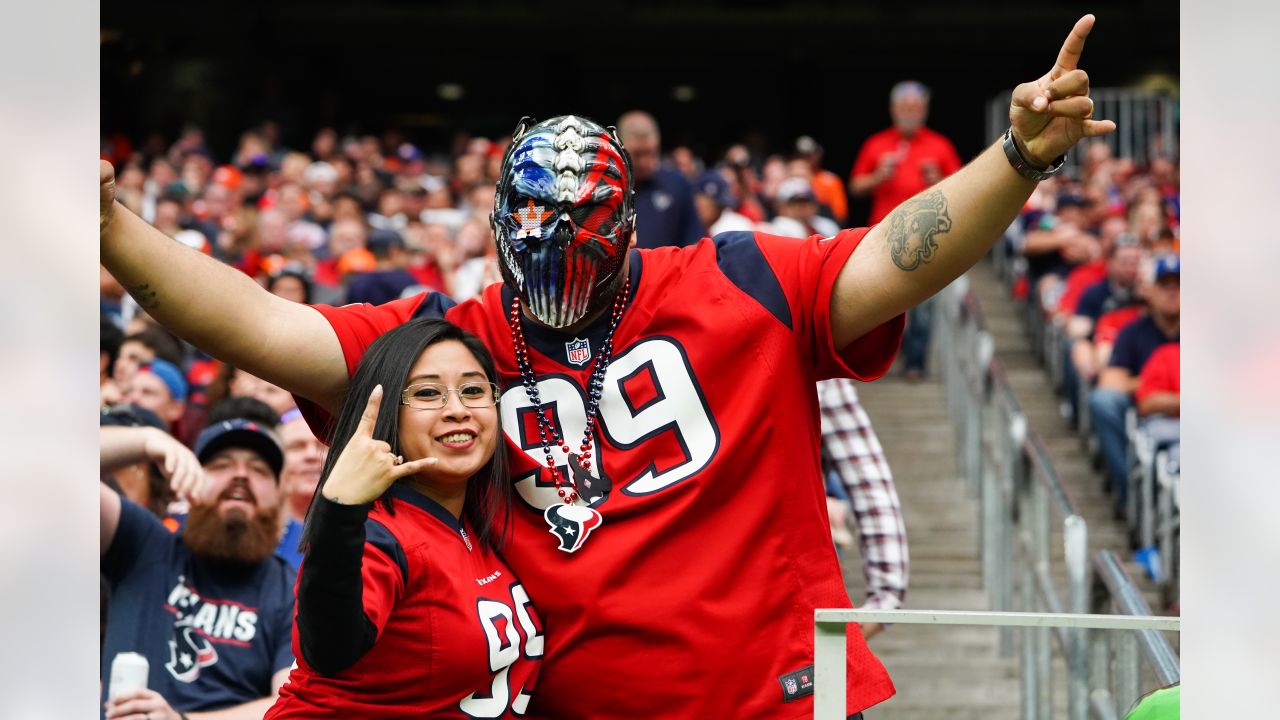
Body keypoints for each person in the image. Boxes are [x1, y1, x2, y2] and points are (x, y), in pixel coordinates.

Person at [100, 17, 1112, 716]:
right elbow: (262, 330)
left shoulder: (742, 276)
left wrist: (1017, 158)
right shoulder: (453, 339)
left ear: (626, 228)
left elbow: (900, 252)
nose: (552, 272)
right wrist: (111, 229)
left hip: (762, 703)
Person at [266, 317, 541, 717]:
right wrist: (339, 507)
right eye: (428, 393)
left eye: (473, 390)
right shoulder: (379, 534)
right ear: (387, 414)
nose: (457, 410)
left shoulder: (479, 522)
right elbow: (329, 646)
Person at [100, 418, 295, 719]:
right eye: (221, 465)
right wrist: (148, 441)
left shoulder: (291, 591)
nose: (240, 475)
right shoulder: (142, 545)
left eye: (259, 470)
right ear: (188, 478)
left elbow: (292, 706)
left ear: (280, 495)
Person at [850, 80, 963, 381]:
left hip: (927, 238)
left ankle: (915, 364)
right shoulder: (877, 144)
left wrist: (938, 177)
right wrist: (877, 176)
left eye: (915, 107)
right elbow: (855, 186)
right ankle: (879, 361)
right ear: (893, 110)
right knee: (879, 303)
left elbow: (966, 192)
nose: (909, 113)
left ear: (925, 110)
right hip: (880, 237)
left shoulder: (940, 145)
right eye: (904, 108)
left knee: (923, 307)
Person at [616, 110, 706, 248]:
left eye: (651, 152)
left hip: (668, 269)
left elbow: (694, 244)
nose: (646, 162)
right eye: (637, 154)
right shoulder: (604, 187)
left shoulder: (677, 184)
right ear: (619, 147)